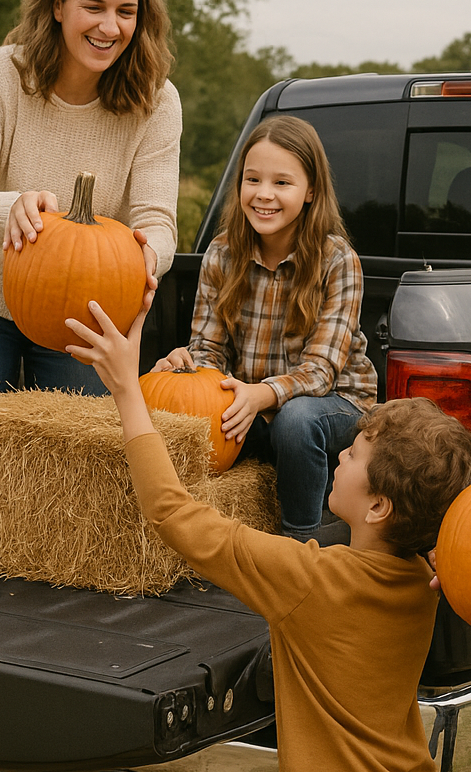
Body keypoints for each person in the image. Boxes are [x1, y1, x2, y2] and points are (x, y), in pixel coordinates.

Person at [66, 274, 471, 772]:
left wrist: (129, 390)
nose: (340, 456)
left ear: (380, 508)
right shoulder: (424, 576)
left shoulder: (309, 580)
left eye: (355, 455)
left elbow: (173, 514)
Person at [0, 0, 181, 421]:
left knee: (72, 475)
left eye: (125, 12)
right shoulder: (2, 74)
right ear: (57, 5)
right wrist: (14, 207)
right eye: (94, 7)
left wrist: (143, 262)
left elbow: (158, 222)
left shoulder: (157, 102)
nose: (110, 27)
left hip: (84, 315)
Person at [153, 115, 377, 543]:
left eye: (282, 183)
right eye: (252, 179)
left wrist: (262, 394)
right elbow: (209, 352)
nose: (264, 195)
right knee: (186, 409)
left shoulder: (337, 261)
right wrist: (186, 369)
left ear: (311, 191)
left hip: (333, 404)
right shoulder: (221, 254)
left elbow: (320, 371)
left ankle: (298, 545)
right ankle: (190, 538)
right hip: (252, 397)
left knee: (294, 421)